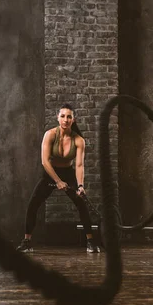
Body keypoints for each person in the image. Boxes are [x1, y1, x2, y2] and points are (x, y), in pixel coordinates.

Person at [16, 103, 100, 253]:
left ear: (73, 120)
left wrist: (80, 186)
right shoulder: (50, 135)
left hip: (68, 172)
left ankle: (91, 242)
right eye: (62, 116)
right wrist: (57, 181)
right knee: (33, 204)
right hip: (50, 174)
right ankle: (27, 241)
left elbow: (79, 165)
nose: (65, 120)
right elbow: (45, 161)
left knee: (81, 203)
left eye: (69, 117)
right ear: (58, 118)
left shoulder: (79, 140)